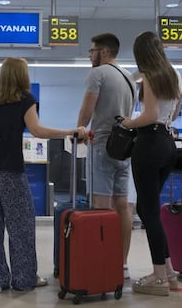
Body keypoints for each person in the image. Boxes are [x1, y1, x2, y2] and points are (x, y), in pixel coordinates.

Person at [0, 57, 87, 293]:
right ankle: (24, 279)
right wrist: (69, 131)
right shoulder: (26, 100)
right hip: (10, 172)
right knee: (21, 225)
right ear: (23, 76)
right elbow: (37, 131)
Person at [121, 31, 182, 296]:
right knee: (149, 212)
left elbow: (148, 115)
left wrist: (126, 122)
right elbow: (174, 113)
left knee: (149, 212)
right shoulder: (175, 75)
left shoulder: (149, 77)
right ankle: (168, 271)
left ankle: (158, 274)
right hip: (168, 143)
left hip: (148, 144)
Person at [76, 33, 136, 279]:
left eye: (91, 51)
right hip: (125, 147)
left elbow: (87, 110)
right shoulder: (130, 76)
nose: (90, 55)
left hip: (102, 144)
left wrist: (79, 129)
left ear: (103, 51)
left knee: (100, 206)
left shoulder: (97, 74)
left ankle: (100, 261)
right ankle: (121, 263)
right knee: (122, 205)